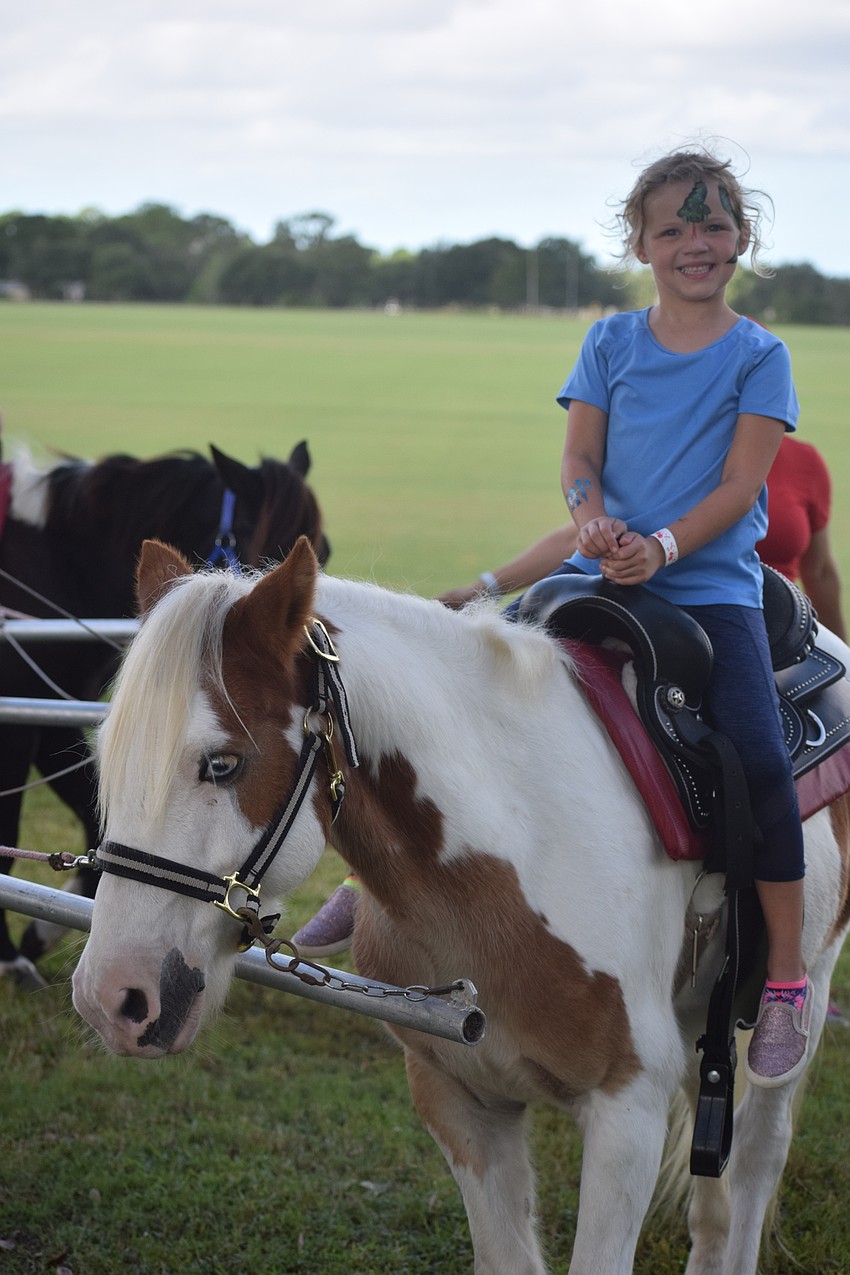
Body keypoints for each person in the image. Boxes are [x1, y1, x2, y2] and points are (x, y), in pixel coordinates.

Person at [295, 147, 819, 1088]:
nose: (695, 243)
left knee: (757, 756)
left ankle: (784, 977)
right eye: (673, 228)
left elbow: (744, 487)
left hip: (708, 593)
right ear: (641, 243)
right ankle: (367, 882)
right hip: (594, 574)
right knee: (469, 703)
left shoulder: (759, 355)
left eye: (713, 225)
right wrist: (592, 518)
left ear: (742, 237)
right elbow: (580, 457)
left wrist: (659, 546)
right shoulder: (610, 343)